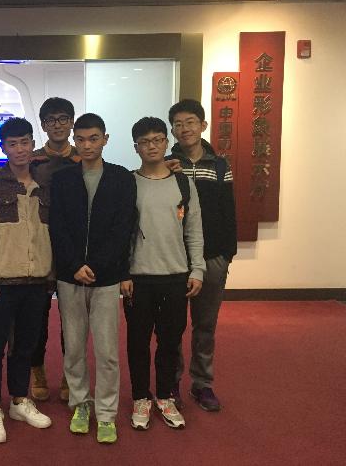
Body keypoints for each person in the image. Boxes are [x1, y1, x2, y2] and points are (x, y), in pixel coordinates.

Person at [50, 113, 137, 444]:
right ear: (75, 141)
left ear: (105, 139)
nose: (87, 145)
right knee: (73, 348)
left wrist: (97, 265)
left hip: (106, 277)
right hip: (70, 276)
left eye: (94, 138)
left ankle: (106, 413)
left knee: (107, 350)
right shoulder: (63, 179)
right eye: (81, 139)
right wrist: (74, 264)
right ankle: (80, 404)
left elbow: (123, 228)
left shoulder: (121, 178)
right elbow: (56, 225)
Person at [0, 117, 53, 444]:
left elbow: (51, 234)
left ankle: (19, 400)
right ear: (4, 148)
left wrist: (50, 275)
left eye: (25, 142)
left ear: (32, 144)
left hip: (36, 283)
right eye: (12, 144)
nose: (20, 149)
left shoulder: (44, 187)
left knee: (25, 347)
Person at [126, 116, 204, 431]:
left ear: (166, 142)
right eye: (145, 142)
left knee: (170, 341)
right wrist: (122, 273)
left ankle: (165, 396)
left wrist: (197, 269)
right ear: (136, 147)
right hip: (139, 277)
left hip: (175, 275)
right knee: (138, 342)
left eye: (158, 140)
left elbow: (194, 229)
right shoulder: (128, 183)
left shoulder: (183, 183)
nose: (152, 146)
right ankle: (140, 397)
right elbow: (120, 234)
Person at [168, 99, 236, 411]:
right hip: (175, 258)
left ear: (203, 125)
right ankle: (171, 382)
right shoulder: (167, 163)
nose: (185, 129)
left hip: (212, 257)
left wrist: (226, 254)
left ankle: (202, 383)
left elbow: (228, 211)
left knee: (205, 325)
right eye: (178, 124)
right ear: (173, 130)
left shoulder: (220, 165)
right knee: (172, 325)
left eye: (190, 122)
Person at [30, 97, 80, 402]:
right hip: (39, 246)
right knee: (37, 317)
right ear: (43, 125)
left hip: (73, 249)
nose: (57, 125)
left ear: (71, 122)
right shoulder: (33, 161)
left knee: (72, 319)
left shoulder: (83, 158)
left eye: (63, 119)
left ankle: (70, 374)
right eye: (51, 120)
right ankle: (36, 370)